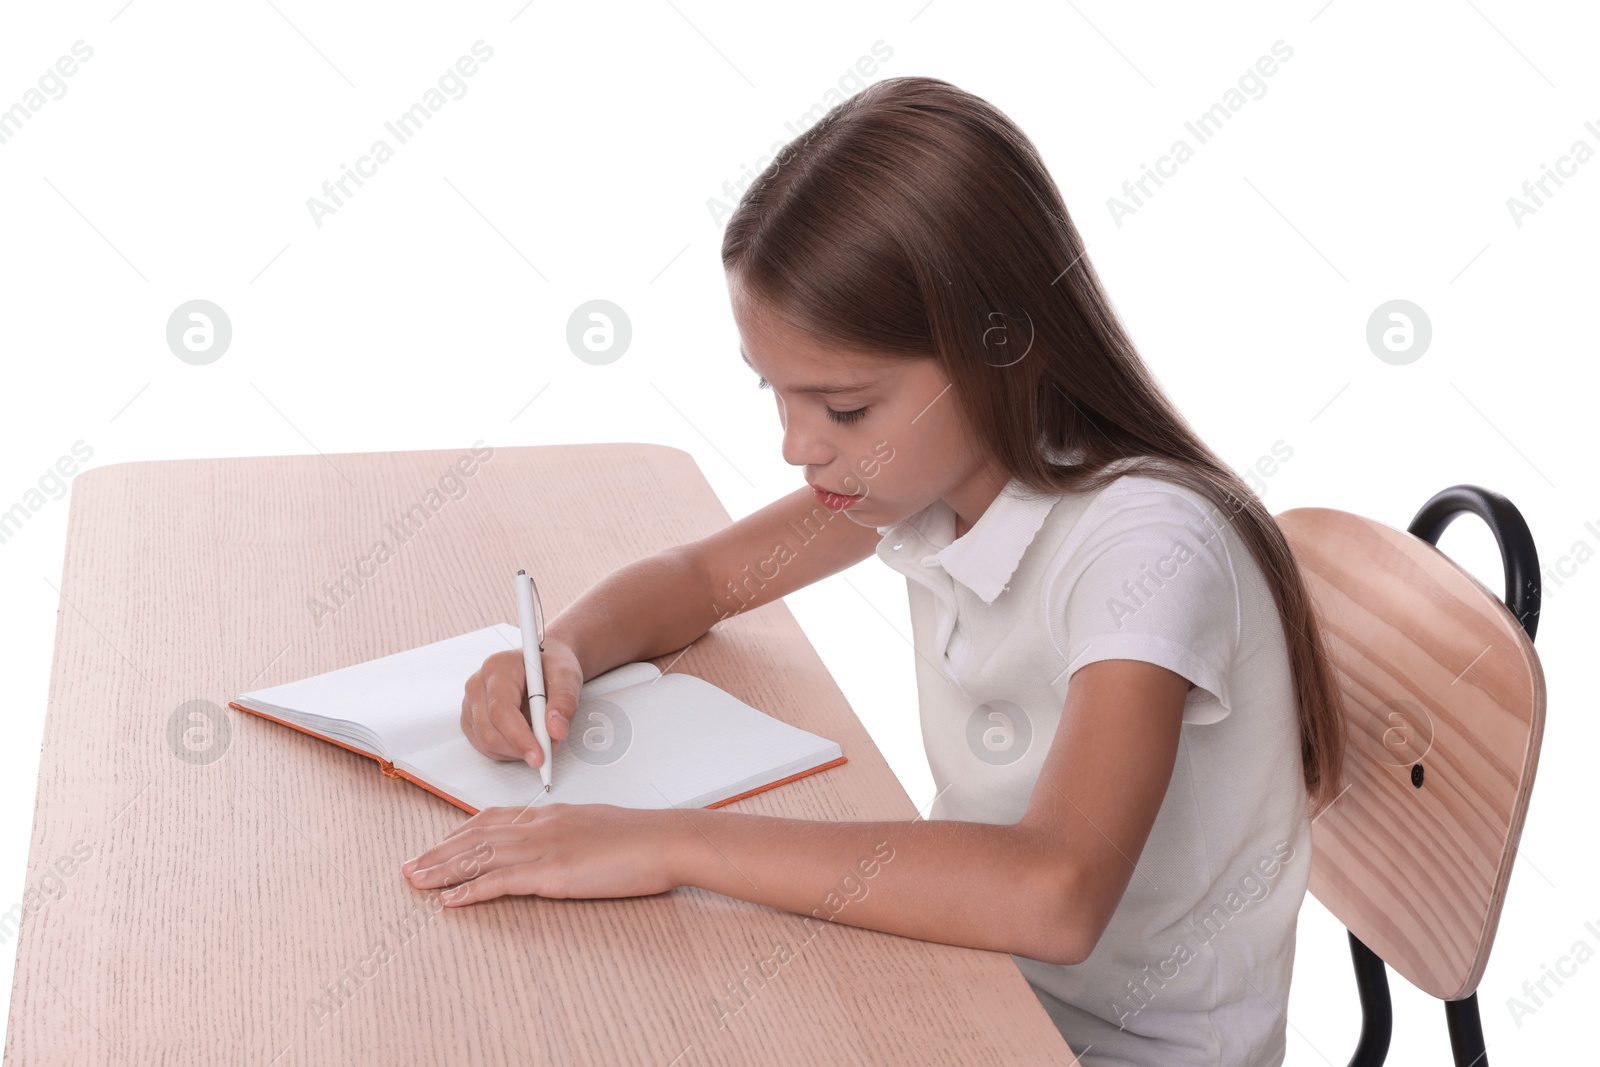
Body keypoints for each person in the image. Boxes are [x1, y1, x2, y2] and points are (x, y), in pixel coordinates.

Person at [400, 75, 1347, 1066]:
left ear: (1001, 351)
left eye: (842, 408)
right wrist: (560, 650)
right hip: (971, 979)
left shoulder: (1147, 548)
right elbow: (699, 579)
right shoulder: (941, 474)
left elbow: (1055, 891)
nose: (796, 446)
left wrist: (665, 840)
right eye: (778, 392)